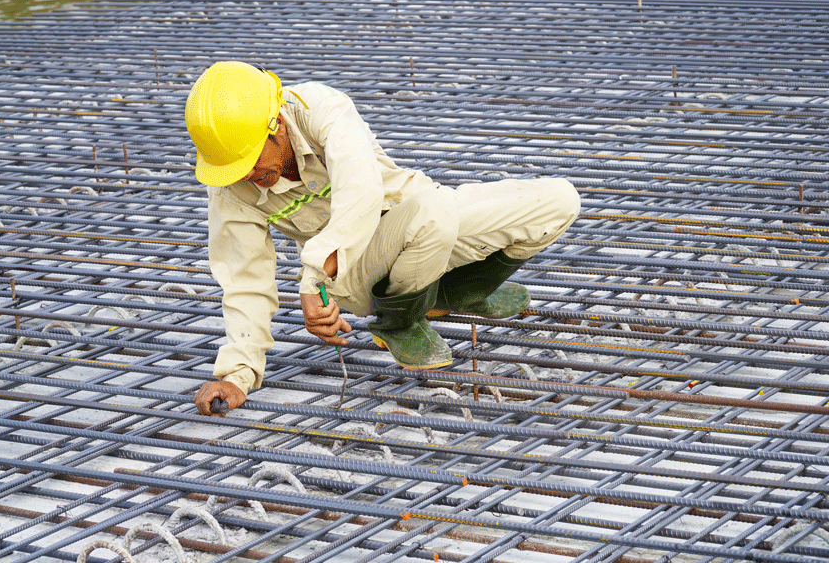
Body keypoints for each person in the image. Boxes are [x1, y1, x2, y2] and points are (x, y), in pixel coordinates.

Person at [186, 61, 580, 417]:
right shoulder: (230, 185)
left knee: (558, 202)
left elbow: (361, 191)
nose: (246, 175)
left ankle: (452, 294)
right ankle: (398, 320)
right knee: (435, 211)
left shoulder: (320, 108)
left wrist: (310, 274)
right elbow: (243, 281)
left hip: (419, 224)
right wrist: (237, 374)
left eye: (251, 160)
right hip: (354, 273)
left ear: (278, 125)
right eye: (233, 168)